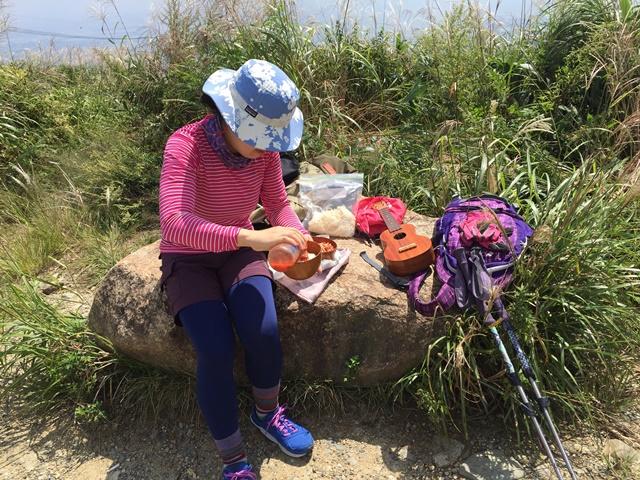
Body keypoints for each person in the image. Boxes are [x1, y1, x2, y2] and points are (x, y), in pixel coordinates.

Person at [158, 59, 314, 480]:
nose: (268, 148)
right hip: (188, 256)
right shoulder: (186, 146)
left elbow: (277, 204)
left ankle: (268, 413)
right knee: (215, 348)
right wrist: (252, 238)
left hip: (237, 252)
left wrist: (297, 236)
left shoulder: (264, 154)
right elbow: (174, 223)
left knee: (263, 330)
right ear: (229, 119)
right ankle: (233, 458)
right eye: (260, 138)